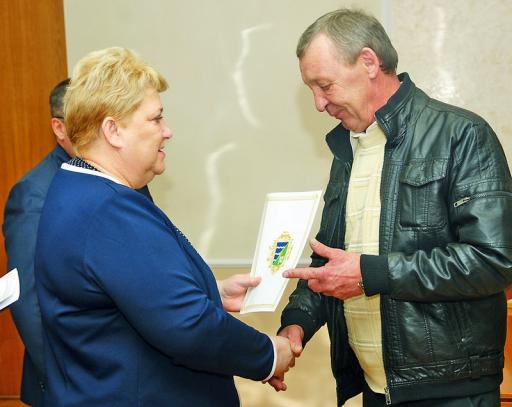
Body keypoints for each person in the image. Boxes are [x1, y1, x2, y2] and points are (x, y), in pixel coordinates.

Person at [274, 8, 512, 406]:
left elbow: (494, 260)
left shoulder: (463, 135)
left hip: (452, 392)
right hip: (376, 389)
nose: (318, 103)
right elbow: (331, 261)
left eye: (325, 85)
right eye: (311, 89)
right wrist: (296, 323)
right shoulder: (349, 150)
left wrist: (373, 273)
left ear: (369, 62)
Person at [34, 47, 293, 406]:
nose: (167, 132)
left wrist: (210, 291)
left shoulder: (77, 187)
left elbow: (129, 294)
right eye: (155, 119)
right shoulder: (108, 209)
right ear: (113, 131)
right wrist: (269, 354)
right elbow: (188, 327)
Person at [2, 79, 152, 406]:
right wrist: (75, 386)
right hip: (76, 385)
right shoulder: (34, 193)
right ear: (59, 128)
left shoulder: (127, 176)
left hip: (132, 376)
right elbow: (28, 299)